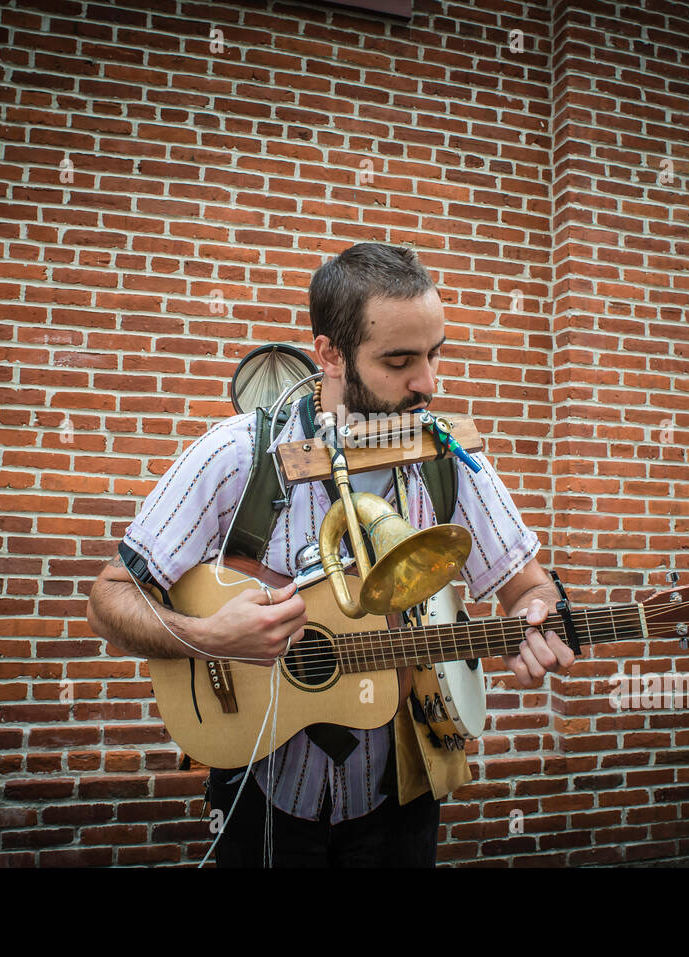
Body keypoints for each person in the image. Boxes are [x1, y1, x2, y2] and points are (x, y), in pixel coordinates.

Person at [85, 242, 574, 867]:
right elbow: (109, 601)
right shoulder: (234, 456)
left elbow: (529, 590)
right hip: (258, 795)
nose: (427, 383)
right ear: (331, 354)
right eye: (399, 361)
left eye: (433, 355)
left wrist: (538, 620)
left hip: (399, 796)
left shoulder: (451, 460)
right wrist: (209, 637)